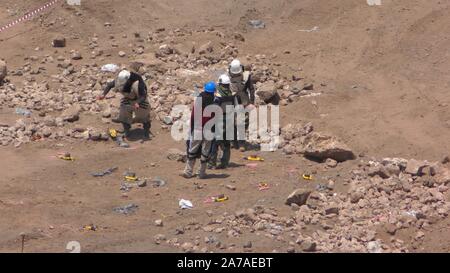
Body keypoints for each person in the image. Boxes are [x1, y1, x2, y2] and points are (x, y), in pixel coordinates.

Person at [98, 70, 151, 140]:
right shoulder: (119, 80)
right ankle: (127, 132)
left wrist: (138, 102)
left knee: (144, 117)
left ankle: (146, 132)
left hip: (139, 101)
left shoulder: (137, 84)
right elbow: (110, 85)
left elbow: (143, 96)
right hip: (128, 99)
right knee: (124, 116)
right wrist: (103, 94)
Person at [181, 81, 217, 179]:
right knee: (205, 152)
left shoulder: (199, 100)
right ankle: (201, 173)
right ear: (213, 91)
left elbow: (193, 116)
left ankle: (188, 171)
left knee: (192, 150)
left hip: (197, 129)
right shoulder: (214, 101)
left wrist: (192, 128)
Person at [228, 59, 256, 151]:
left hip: (243, 101)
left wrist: (252, 102)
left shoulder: (246, 76)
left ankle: (241, 143)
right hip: (231, 100)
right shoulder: (227, 76)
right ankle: (233, 141)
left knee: (242, 122)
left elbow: (251, 89)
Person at [208, 74, 234, 169]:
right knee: (226, 144)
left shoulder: (218, 97)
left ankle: (211, 163)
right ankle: (225, 162)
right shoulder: (232, 95)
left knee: (214, 144)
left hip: (218, 123)